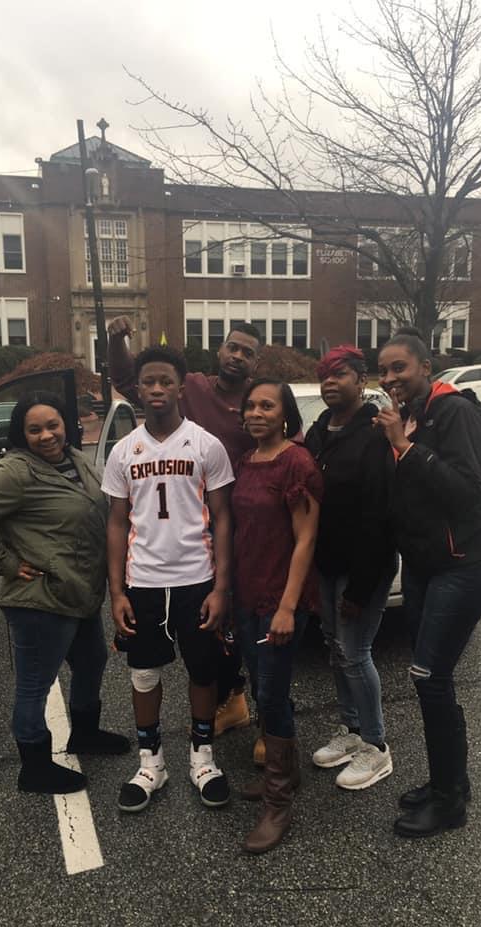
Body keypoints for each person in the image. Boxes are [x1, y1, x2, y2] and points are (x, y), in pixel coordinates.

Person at [0, 391, 129, 796]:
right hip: (41, 598)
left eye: (52, 425)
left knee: (91, 661)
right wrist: (3, 563)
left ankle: (85, 733)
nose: (46, 435)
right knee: (35, 684)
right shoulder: (16, 471)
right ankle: (35, 768)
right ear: (22, 435)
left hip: (78, 590)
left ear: (66, 424)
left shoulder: (75, 458)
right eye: (34, 430)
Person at [108, 316, 260, 738]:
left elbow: (287, 439)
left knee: (232, 626)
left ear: (256, 363)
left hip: (242, 520)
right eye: (233, 347)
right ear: (220, 349)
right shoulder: (191, 386)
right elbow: (128, 377)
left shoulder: (256, 401)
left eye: (247, 352)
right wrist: (116, 340)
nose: (237, 356)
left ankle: (248, 707)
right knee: (197, 638)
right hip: (189, 523)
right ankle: (227, 701)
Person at [375, 327, 481, 838]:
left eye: (399, 367)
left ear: (426, 368)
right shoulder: (410, 416)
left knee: (430, 677)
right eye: (383, 371)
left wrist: (404, 446)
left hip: (463, 563)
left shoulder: (454, 413)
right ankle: (450, 782)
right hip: (425, 564)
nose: (390, 378)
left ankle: (449, 801)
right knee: (432, 678)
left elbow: (470, 494)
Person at [103, 345, 234, 813]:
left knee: (203, 670)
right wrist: (116, 590)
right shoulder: (123, 450)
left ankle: (203, 757)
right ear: (137, 389)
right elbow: (117, 522)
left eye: (165, 381)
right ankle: (151, 762)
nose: (157, 389)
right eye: (148, 381)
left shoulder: (206, 444)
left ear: (181, 387)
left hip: (196, 579)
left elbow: (223, 518)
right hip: (143, 581)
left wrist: (221, 586)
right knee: (143, 673)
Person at [232, 379, 323, 853]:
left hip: (281, 600)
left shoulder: (297, 463)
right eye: (250, 405)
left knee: (270, 693)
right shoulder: (247, 460)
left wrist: (288, 607)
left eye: (266, 406)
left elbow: (306, 539)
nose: (256, 413)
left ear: (285, 414)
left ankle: (278, 802)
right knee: (266, 689)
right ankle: (284, 771)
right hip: (247, 595)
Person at [305, 345, 396, 790]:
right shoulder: (319, 431)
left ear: (361, 381)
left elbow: (380, 514)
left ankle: (376, 746)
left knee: (355, 651)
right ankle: (352, 729)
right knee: (334, 647)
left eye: (339, 374)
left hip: (364, 565)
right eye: (324, 375)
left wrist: (360, 587)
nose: (329, 382)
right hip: (326, 562)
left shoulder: (374, 434)